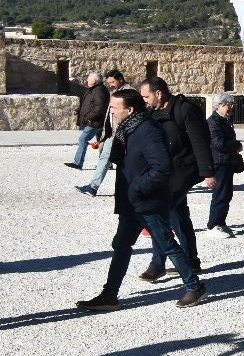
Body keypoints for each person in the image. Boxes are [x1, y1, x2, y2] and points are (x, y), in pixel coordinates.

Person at [76, 89, 207, 311]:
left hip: (147, 201)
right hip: (131, 202)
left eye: (115, 108)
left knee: (166, 243)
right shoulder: (127, 128)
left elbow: (162, 168)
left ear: (130, 109)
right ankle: (110, 295)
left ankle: (194, 286)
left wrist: (137, 188)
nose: (112, 111)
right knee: (121, 245)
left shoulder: (148, 130)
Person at [138, 77, 215, 283]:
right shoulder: (151, 112)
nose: (145, 100)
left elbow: (200, 141)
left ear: (159, 93)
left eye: (146, 96)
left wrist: (207, 172)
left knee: (159, 215)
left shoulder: (185, 110)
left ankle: (158, 264)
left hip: (182, 171)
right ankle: (191, 260)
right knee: (178, 216)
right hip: (163, 171)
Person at [77, 70, 130, 196]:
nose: (110, 84)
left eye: (112, 81)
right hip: (111, 134)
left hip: (121, 133)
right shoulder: (114, 92)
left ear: (120, 79)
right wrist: (104, 135)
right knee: (105, 158)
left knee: (126, 162)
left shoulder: (129, 92)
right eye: (109, 82)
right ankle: (93, 187)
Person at [206, 93, 241, 238]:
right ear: (219, 106)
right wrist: (236, 144)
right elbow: (218, 143)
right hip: (220, 162)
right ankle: (213, 225)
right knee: (220, 194)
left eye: (232, 104)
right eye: (228, 104)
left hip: (227, 162)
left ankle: (221, 223)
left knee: (226, 194)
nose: (231, 107)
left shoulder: (224, 120)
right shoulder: (213, 121)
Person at [66, 71, 108, 170]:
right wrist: (79, 111)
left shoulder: (98, 91)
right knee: (102, 142)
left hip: (95, 122)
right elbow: (89, 105)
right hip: (96, 121)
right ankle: (107, 164)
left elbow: (100, 107)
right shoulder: (93, 90)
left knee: (83, 139)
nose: (87, 80)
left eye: (88, 78)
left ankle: (78, 163)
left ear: (94, 80)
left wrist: (89, 118)